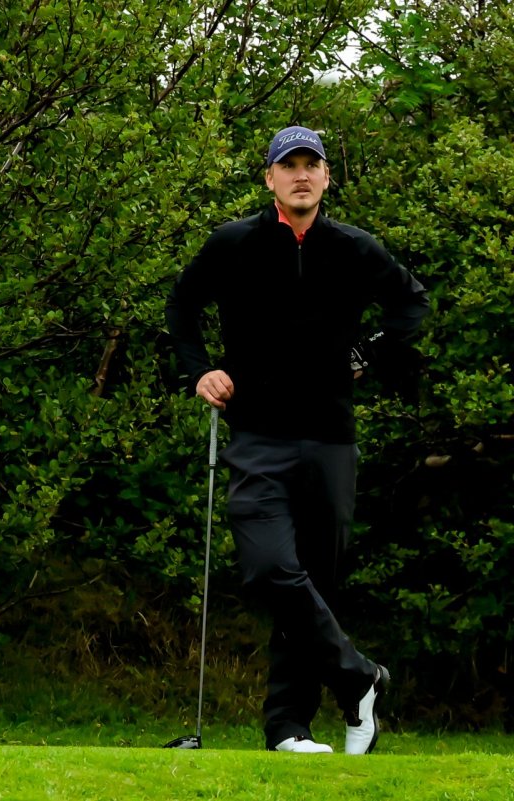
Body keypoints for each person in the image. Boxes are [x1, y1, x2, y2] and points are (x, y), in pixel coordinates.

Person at [164, 125, 429, 754]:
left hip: (331, 439)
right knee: (269, 568)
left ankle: (289, 728)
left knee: (314, 582)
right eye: (289, 165)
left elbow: (411, 305)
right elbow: (181, 308)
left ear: (327, 176)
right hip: (258, 435)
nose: (301, 175)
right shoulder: (234, 242)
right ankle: (360, 679)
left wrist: (367, 354)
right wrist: (199, 370)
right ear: (270, 178)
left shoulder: (353, 247)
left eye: (312, 164)